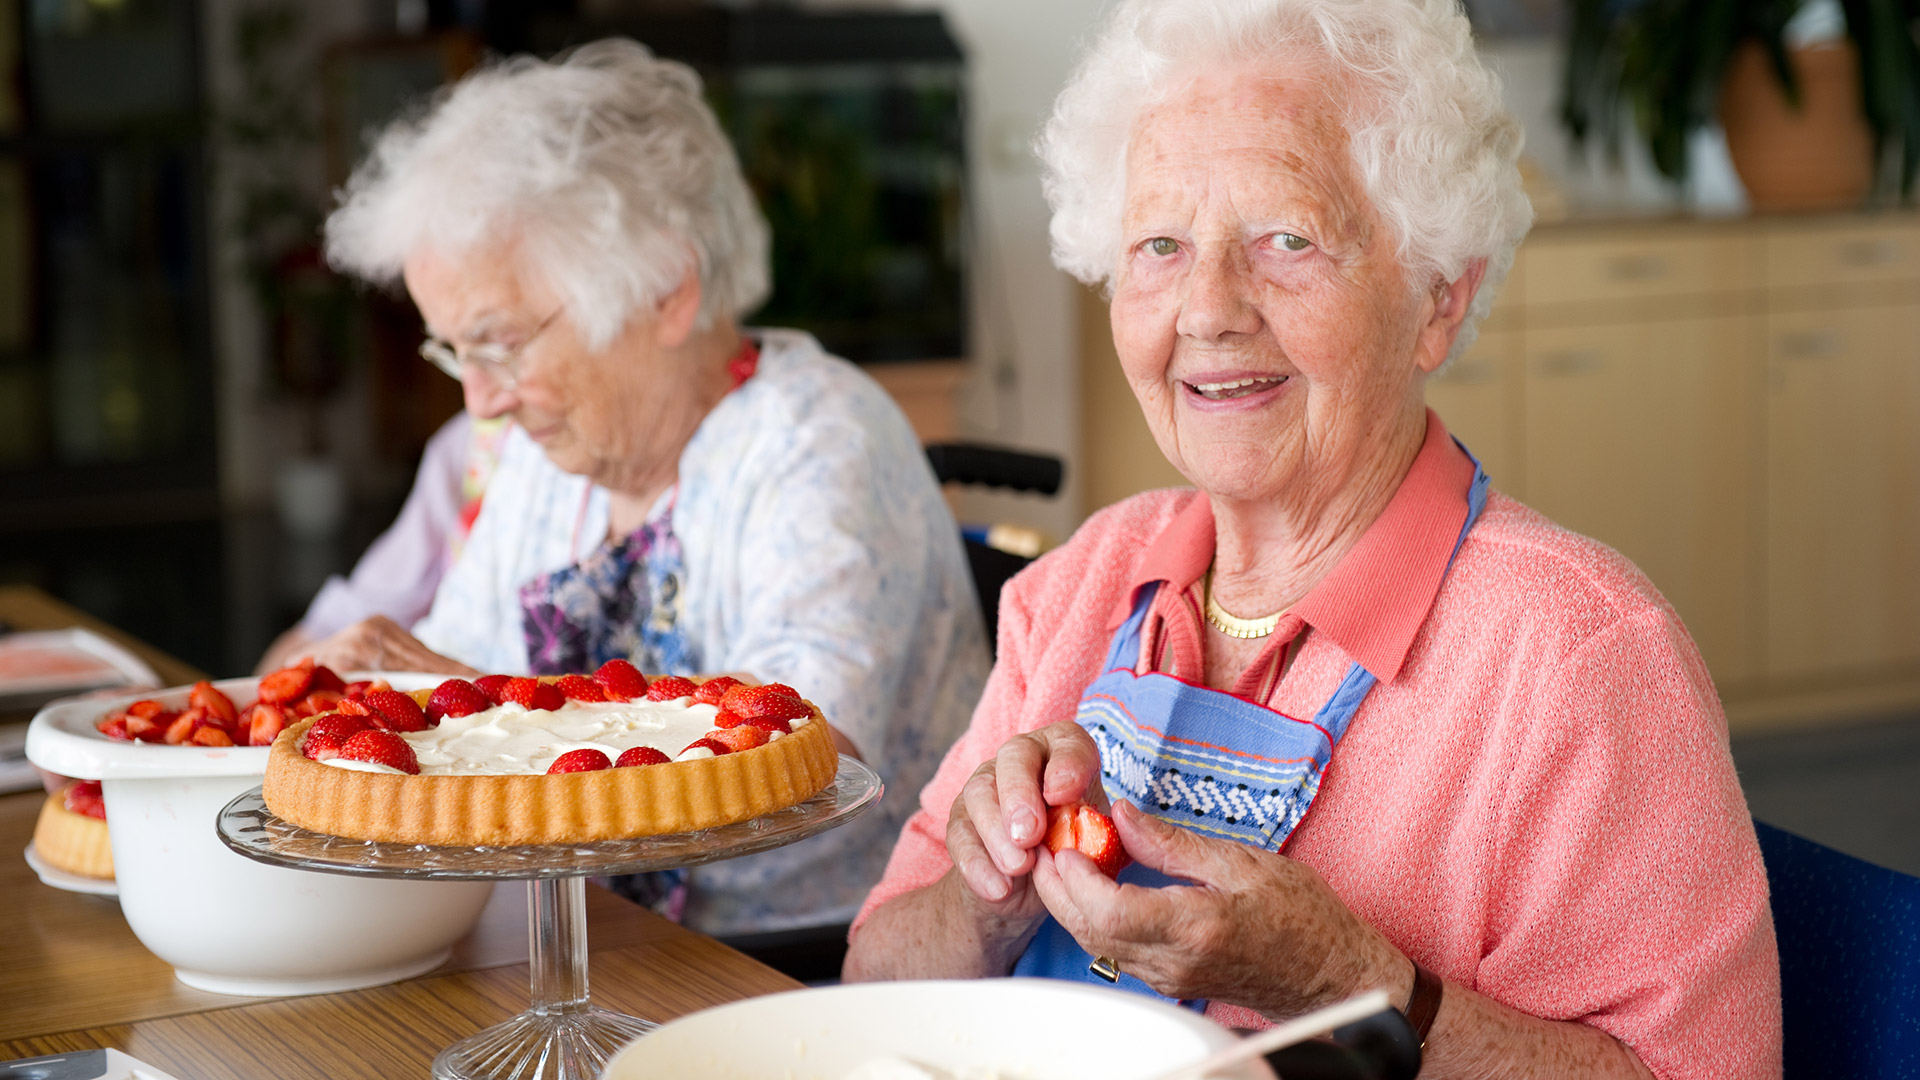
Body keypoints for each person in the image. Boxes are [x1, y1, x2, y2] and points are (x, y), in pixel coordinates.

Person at [843, 1, 1780, 1076]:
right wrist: (987, 898)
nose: (1206, 309)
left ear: (1438, 295)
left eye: (1286, 240)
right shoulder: (1081, 584)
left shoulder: (1580, 657)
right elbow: (871, 977)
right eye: (1159, 245)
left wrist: (1353, 983)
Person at [305, 39, 991, 939]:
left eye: (502, 343)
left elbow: (784, 754)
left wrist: (492, 700)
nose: (479, 399)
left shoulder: (816, 442)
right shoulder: (546, 458)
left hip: (792, 967)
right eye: (454, 350)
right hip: (579, 936)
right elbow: (443, 689)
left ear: (666, 288)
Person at [255, 411, 510, 674]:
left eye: (506, 366)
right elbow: (317, 635)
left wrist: (460, 678)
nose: (477, 399)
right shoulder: (471, 444)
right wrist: (299, 664)